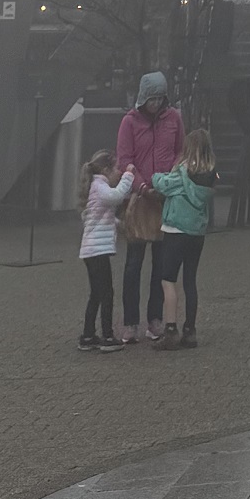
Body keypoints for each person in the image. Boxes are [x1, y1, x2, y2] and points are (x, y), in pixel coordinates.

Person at [114, 72, 183, 344]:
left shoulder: (174, 118)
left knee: (161, 265)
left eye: (159, 99)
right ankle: (130, 323)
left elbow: (180, 152)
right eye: (151, 99)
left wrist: (168, 182)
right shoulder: (129, 123)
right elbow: (125, 160)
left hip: (165, 199)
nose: (155, 104)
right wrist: (143, 187)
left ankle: (155, 320)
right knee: (133, 265)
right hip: (140, 201)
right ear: (143, 98)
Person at [151, 128, 218, 349]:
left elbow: (162, 184)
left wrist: (155, 176)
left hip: (176, 231)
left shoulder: (183, 172)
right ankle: (190, 330)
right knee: (190, 280)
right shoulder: (210, 176)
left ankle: (170, 330)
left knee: (168, 280)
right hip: (196, 234)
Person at [77, 149, 131, 352]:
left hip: (90, 250)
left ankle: (88, 335)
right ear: (107, 169)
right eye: (117, 168)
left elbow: (99, 217)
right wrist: (129, 175)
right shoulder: (100, 187)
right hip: (97, 251)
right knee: (107, 293)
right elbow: (117, 197)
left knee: (96, 294)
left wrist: (117, 223)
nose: (118, 172)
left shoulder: (94, 187)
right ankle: (108, 336)